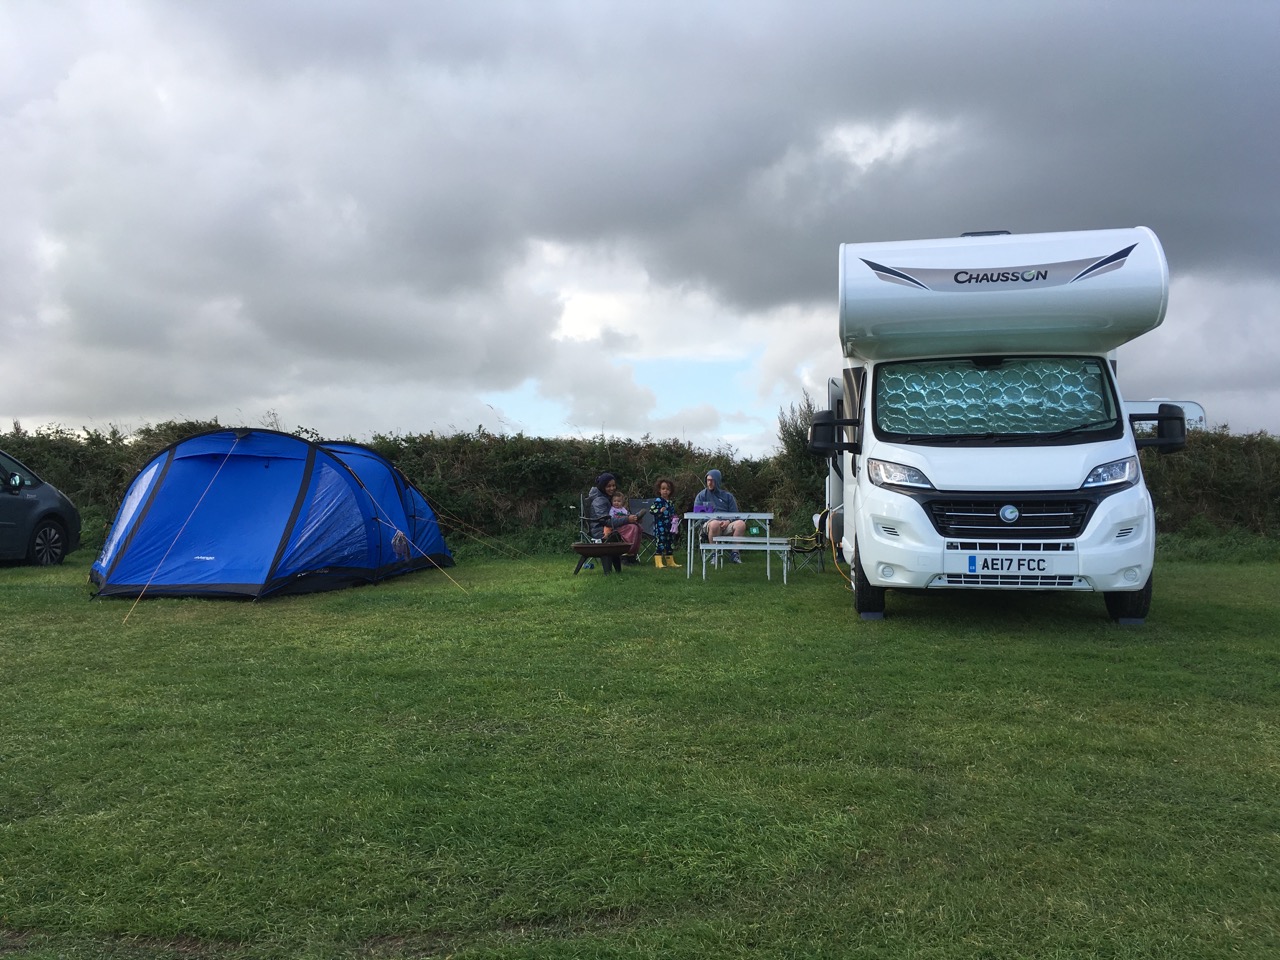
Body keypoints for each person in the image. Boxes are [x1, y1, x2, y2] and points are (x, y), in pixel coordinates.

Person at [693, 468, 746, 563]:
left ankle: (735, 554)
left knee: (741, 524)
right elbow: (697, 515)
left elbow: (735, 514)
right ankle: (714, 555)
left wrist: (728, 521)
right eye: (708, 480)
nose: (709, 483)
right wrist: (714, 520)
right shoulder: (701, 496)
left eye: (712, 480)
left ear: (717, 481)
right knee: (714, 524)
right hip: (709, 525)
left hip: (726, 524)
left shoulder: (728, 496)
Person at [586, 472, 642, 563]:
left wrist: (631, 519)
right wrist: (627, 519)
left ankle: (631, 555)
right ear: (603, 486)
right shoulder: (599, 500)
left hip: (611, 526)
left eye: (613, 485)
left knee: (637, 527)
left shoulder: (607, 497)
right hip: (601, 530)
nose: (612, 488)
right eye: (608, 486)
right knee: (632, 528)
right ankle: (625, 556)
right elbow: (605, 521)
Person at [650, 477, 679, 569]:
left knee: (670, 543)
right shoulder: (658, 501)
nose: (665, 491)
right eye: (663, 489)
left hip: (670, 526)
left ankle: (670, 561)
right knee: (660, 543)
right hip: (660, 527)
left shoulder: (670, 502)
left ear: (671, 491)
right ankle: (658, 562)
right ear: (659, 490)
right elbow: (652, 510)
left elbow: (672, 512)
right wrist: (659, 510)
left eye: (667, 489)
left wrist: (675, 518)